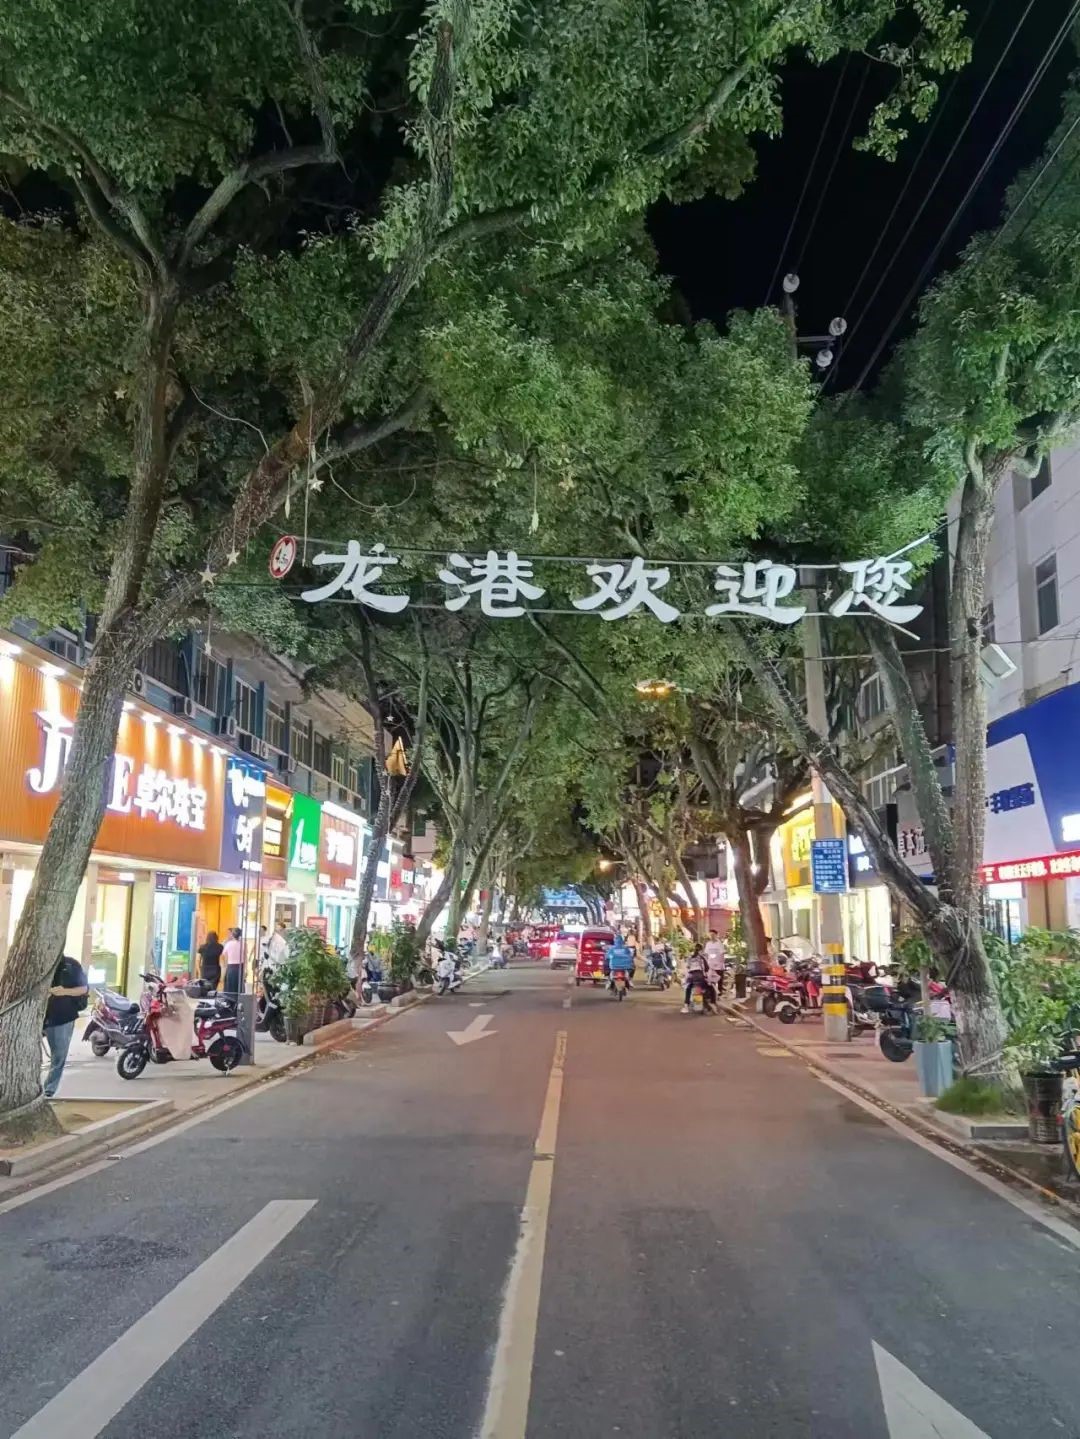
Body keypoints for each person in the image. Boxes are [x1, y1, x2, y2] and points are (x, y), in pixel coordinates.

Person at [42, 952, 89, 1098]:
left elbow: (83, 989)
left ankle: (49, 1089)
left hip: (62, 1017)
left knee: (58, 1055)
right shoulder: (38, 962)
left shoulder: (71, 965)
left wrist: (63, 991)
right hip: (37, 1016)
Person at [681, 946, 715, 1013]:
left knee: (688, 989)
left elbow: (687, 968)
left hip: (690, 977)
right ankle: (713, 1003)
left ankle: (686, 1005)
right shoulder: (702, 958)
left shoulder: (690, 958)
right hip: (699, 976)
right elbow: (707, 968)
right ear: (700, 951)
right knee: (711, 987)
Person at [222, 927, 244, 996]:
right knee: (239, 984)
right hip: (240, 966)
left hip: (231, 966)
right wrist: (246, 969)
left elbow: (224, 955)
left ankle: (230, 999)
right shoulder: (243, 944)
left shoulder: (228, 944)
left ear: (233, 935)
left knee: (230, 985)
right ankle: (239, 999)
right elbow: (245, 956)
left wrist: (225, 965)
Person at [704, 930, 726, 998]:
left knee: (719, 979)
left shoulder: (719, 944)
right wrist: (706, 964)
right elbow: (706, 954)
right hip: (710, 965)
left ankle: (719, 993)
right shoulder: (708, 944)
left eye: (713, 935)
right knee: (711, 980)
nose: (712, 936)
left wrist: (721, 963)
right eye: (710, 935)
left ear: (716, 935)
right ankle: (712, 994)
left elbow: (722, 954)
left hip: (718, 965)